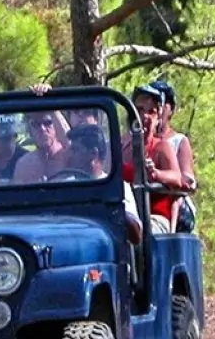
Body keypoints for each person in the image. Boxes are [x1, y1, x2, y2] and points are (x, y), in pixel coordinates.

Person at [62, 123, 144, 243]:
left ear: (93, 154)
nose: (69, 156)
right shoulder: (65, 187)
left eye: (75, 150)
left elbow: (136, 235)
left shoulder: (117, 188)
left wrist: (110, 209)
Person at [123, 84, 185, 234]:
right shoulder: (120, 145)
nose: (145, 116)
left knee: (133, 235)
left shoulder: (161, 147)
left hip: (154, 219)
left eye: (151, 112)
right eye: (139, 110)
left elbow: (177, 178)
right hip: (123, 216)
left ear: (158, 118)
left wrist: (156, 173)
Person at [148, 79, 198, 232]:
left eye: (162, 104)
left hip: (172, 205)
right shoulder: (135, 142)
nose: (159, 109)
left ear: (171, 109)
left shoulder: (178, 141)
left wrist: (163, 179)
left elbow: (188, 181)